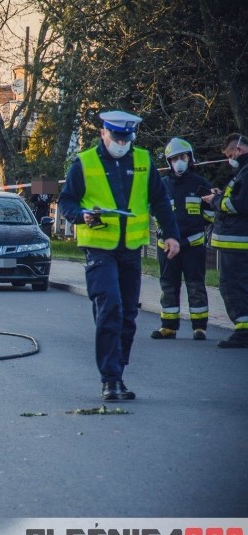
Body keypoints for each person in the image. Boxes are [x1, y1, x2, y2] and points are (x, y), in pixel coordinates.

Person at [58, 110, 180, 401]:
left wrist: (172, 234)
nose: (121, 144)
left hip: (130, 251)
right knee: (110, 307)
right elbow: (66, 201)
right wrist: (81, 215)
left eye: (127, 139)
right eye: (116, 138)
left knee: (128, 314)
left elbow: (160, 200)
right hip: (99, 249)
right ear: (103, 133)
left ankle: (118, 374)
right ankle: (109, 379)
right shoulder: (84, 162)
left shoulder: (142, 160)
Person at [151, 138, 214, 340]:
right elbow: (155, 213)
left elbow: (211, 215)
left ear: (190, 158)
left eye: (183, 157)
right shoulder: (162, 186)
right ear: (169, 162)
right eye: (175, 158)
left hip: (193, 245)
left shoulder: (200, 185)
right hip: (167, 246)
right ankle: (168, 327)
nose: (179, 161)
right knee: (168, 285)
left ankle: (199, 327)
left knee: (195, 285)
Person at [201, 133, 248, 348]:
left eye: (230, 155)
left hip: (238, 241)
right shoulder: (241, 173)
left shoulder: (245, 173)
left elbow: (238, 205)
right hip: (236, 240)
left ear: (239, 150)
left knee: (232, 285)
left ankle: (243, 331)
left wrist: (215, 200)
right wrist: (221, 196)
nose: (230, 159)